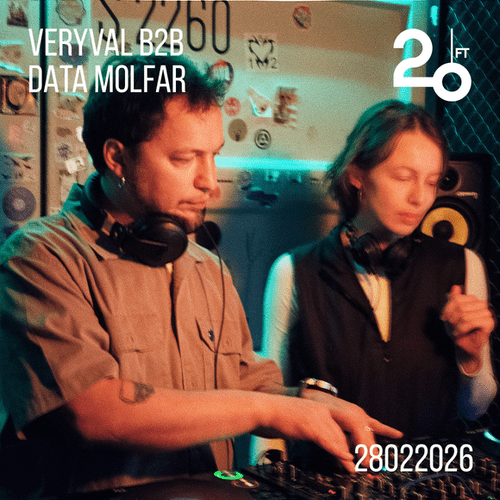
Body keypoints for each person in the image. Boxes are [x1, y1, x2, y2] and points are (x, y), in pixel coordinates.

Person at [0, 55, 402, 498]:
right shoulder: (39, 258)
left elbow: (245, 381)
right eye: (185, 158)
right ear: (117, 157)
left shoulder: (206, 267)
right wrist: (265, 410)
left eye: (213, 156)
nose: (209, 181)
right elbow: (93, 412)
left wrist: (306, 401)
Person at [261, 99, 497, 469]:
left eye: (432, 182)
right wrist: (263, 484)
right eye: (403, 177)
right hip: (330, 481)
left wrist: (471, 356)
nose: (420, 198)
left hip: (425, 479)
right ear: (357, 174)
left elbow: (474, 409)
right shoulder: (294, 271)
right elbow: (269, 408)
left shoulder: (463, 266)